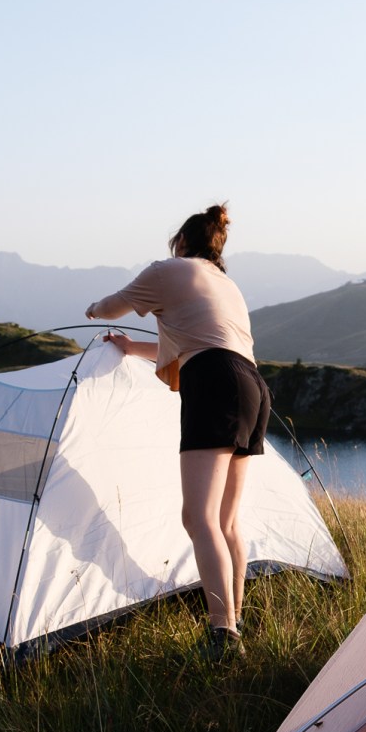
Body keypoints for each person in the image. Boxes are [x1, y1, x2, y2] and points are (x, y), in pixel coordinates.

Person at [85, 203, 271, 659]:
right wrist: (132, 348)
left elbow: (112, 306)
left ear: (181, 243)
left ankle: (221, 636)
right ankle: (235, 624)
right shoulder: (225, 285)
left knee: (199, 518)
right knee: (226, 521)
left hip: (214, 384)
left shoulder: (169, 270)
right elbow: (190, 343)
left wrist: (93, 310)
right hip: (253, 387)